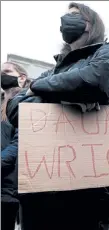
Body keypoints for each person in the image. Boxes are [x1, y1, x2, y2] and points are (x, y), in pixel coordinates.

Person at [6, 2, 109, 230]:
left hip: (89, 194)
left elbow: (97, 81)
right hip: (39, 192)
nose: (66, 20)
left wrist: (38, 90)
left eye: (74, 15)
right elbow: (15, 109)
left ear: (90, 24)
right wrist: (63, 95)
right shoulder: (51, 71)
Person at [1, 62, 31, 230]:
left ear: (21, 78)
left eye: (6, 72)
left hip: (10, 186)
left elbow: (20, 143)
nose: (2, 76)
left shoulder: (25, 103)